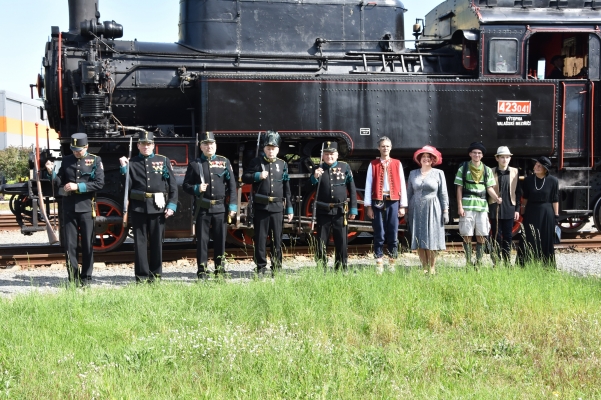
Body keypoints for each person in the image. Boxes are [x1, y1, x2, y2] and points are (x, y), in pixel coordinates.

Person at [119, 131, 177, 282]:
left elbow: (173, 186)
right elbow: (127, 187)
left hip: (158, 208)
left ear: (153, 145)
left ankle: (156, 276)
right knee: (140, 243)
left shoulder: (163, 161)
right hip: (139, 208)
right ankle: (142, 276)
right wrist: (124, 169)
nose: (146, 146)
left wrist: (171, 205)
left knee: (157, 243)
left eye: (149, 144)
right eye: (143, 144)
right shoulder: (132, 163)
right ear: (138, 145)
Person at [183, 131, 237, 280]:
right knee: (202, 241)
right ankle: (202, 271)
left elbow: (232, 186)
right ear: (201, 147)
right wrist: (196, 189)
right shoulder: (195, 164)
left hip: (220, 208)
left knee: (220, 241)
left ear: (215, 145)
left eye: (211, 144)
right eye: (205, 144)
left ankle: (220, 270)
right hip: (203, 209)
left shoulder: (224, 162)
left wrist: (232, 206)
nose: (209, 147)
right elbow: (185, 185)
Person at [54, 133, 104, 286]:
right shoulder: (67, 160)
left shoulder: (95, 160)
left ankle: (86, 278)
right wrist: (51, 173)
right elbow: (59, 182)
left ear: (86, 147)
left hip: (86, 208)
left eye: (79, 150)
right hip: (69, 208)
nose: (76, 152)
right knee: (70, 245)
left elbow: (99, 183)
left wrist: (78, 187)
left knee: (88, 245)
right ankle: (73, 279)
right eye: (74, 149)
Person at [242, 131, 293, 276]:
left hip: (277, 207)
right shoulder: (256, 162)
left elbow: (287, 188)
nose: (271, 151)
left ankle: (276, 267)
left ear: (278, 150)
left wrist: (289, 208)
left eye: (274, 148)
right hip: (261, 207)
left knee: (277, 239)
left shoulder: (282, 164)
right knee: (260, 238)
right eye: (268, 148)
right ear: (264, 149)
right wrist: (257, 176)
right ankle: (261, 267)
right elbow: (245, 177)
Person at [311, 141, 358, 271]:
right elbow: (307, 186)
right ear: (322, 156)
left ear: (337, 155)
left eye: (332, 154)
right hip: (323, 210)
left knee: (341, 241)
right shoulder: (318, 168)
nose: (329, 156)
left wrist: (353, 208)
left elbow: (352, 189)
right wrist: (314, 177)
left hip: (340, 211)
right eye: (326, 154)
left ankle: (341, 267)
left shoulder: (345, 167)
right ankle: (321, 267)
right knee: (321, 241)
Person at [364, 136, 408, 273]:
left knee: (393, 231)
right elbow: (368, 185)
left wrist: (402, 205)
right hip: (378, 199)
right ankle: (379, 262)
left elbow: (402, 184)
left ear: (391, 147)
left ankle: (392, 263)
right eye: (383, 146)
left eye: (387, 146)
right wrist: (368, 206)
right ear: (379, 148)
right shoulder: (373, 164)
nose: (385, 148)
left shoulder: (397, 163)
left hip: (394, 200)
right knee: (379, 232)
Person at [454, 142, 501, 267]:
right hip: (467, 206)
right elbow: (459, 188)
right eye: (474, 152)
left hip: (482, 208)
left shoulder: (486, 170)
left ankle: (478, 263)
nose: (477, 155)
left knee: (482, 235)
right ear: (470, 154)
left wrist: (496, 198)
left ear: (482, 155)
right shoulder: (463, 168)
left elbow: (489, 188)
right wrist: (459, 206)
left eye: (479, 153)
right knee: (467, 235)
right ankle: (469, 262)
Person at [406, 145, 448, 275]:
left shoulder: (439, 173)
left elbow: (443, 193)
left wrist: (445, 210)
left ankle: (432, 267)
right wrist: (406, 211)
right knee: (419, 237)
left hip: (433, 208)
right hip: (416, 208)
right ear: (420, 159)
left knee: (431, 237)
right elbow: (409, 193)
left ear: (433, 160)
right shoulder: (413, 173)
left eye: (428, 157)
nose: (426, 159)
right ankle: (424, 267)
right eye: (423, 157)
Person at [517, 157, 559, 267]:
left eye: (540, 166)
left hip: (547, 212)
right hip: (531, 210)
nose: (536, 167)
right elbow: (525, 198)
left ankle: (546, 265)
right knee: (529, 236)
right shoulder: (528, 180)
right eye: (536, 164)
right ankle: (526, 263)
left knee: (545, 238)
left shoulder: (553, 181)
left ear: (545, 169)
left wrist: (556, 215)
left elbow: (555, 199)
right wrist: (523, 211)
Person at [488, 146, 522, 265]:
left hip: (509, 206)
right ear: (497, 158)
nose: (505, 160)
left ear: (510, 159)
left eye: (507, 157)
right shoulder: (490, 171)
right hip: (495, 207)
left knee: (508, 236)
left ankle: (507, 262)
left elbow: (518, 192)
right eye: (502, 157)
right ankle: (496, 262)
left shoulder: (515, 171)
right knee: (496, 235)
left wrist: (517, 209)